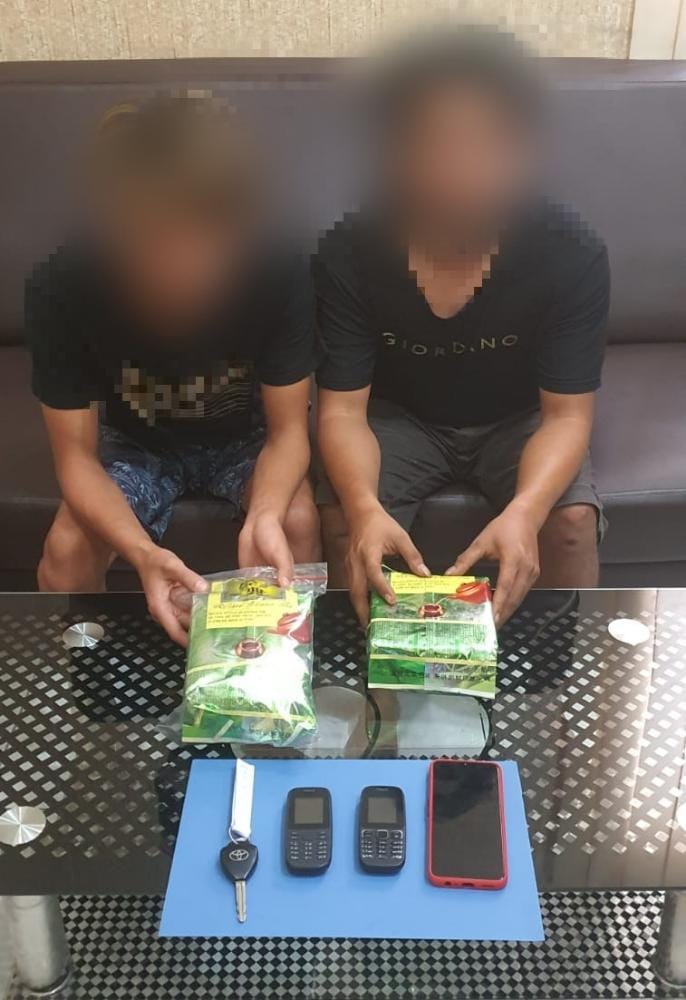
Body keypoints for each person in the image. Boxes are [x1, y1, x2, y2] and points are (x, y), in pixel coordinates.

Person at [314, 27, 610, 626]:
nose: (459, 170)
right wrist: (365, 506)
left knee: (571, 523)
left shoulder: (570, 251)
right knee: (347, 520)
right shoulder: (349, 251)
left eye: (484, 143)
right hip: (400, 418)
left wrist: (526, 511)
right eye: (435, 143)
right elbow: (342, 411)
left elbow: (567, 416)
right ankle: (364, 670)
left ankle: (558, 665)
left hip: (517, 418)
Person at [27, 93, 320, 645]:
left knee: (295, 522)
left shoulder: (278, 271)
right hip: (139, 442)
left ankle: (287, 678)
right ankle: (83, 689)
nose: (178, 266)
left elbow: (288, 433)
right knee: (66, 551)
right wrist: (142, 552)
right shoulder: (62, 285)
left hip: (244, 438)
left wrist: (264, 513)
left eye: (202, 238)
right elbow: (75, 458)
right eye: (151, 239)